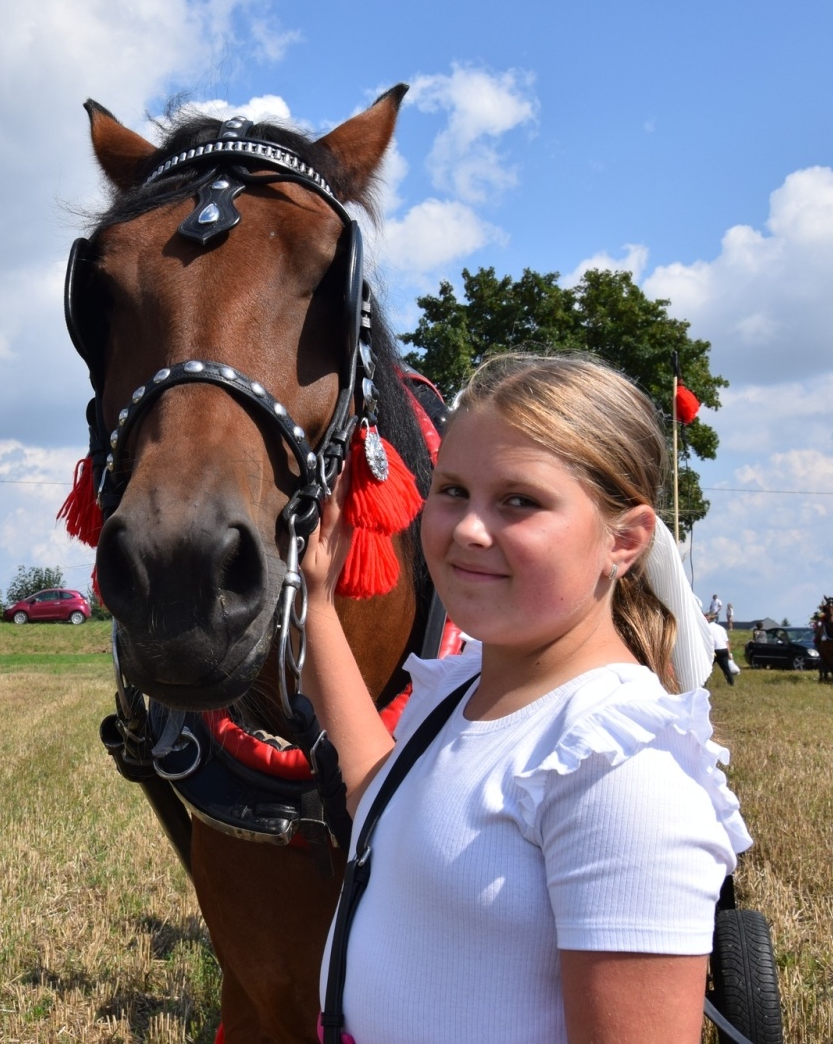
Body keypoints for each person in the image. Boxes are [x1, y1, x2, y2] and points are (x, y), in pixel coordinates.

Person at [299, 353, 748, 1043]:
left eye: (519, 501)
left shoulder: (619, 773)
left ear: (625, 541)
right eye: (453, 490)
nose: (468, 529)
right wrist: (317, 605)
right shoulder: (461, 691)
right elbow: (385, 804)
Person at [707, 613, 735, 686]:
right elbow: (726, 641)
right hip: (723, 649)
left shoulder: (707, 627)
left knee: (707, 667)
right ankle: (731, 682)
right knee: (726, 668)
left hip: (714, 650)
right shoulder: (721, 628)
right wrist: (729, 653)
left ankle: (704, 683)